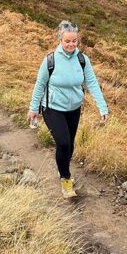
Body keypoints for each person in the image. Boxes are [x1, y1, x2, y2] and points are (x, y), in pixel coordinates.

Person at [27, 20, 109, 198]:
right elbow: (40, 84)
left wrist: (103, 107)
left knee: (70, 146)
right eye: (68, 41)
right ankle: (65, 180)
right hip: (52, 108)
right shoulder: (50, 60)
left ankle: (63, 169)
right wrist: (33, 108)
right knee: (63, 143)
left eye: (74, 41)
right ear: (60, 40)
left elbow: (92, 84)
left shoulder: (82, 60)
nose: (71, 45)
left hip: (73, 109)